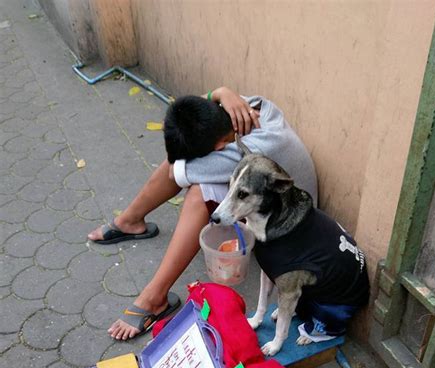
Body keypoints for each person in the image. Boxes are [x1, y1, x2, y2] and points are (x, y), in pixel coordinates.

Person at [88, 87, 318, 340]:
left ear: (220, 146)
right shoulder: (251, 105)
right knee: (186, 150)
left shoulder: (246, 154)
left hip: (283, 228)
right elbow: (192, 118)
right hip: (259, 200)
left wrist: (218, 95)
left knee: (197, 192)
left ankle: (155, 298)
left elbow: (172, 171)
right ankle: (130, 221)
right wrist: (220, 93)